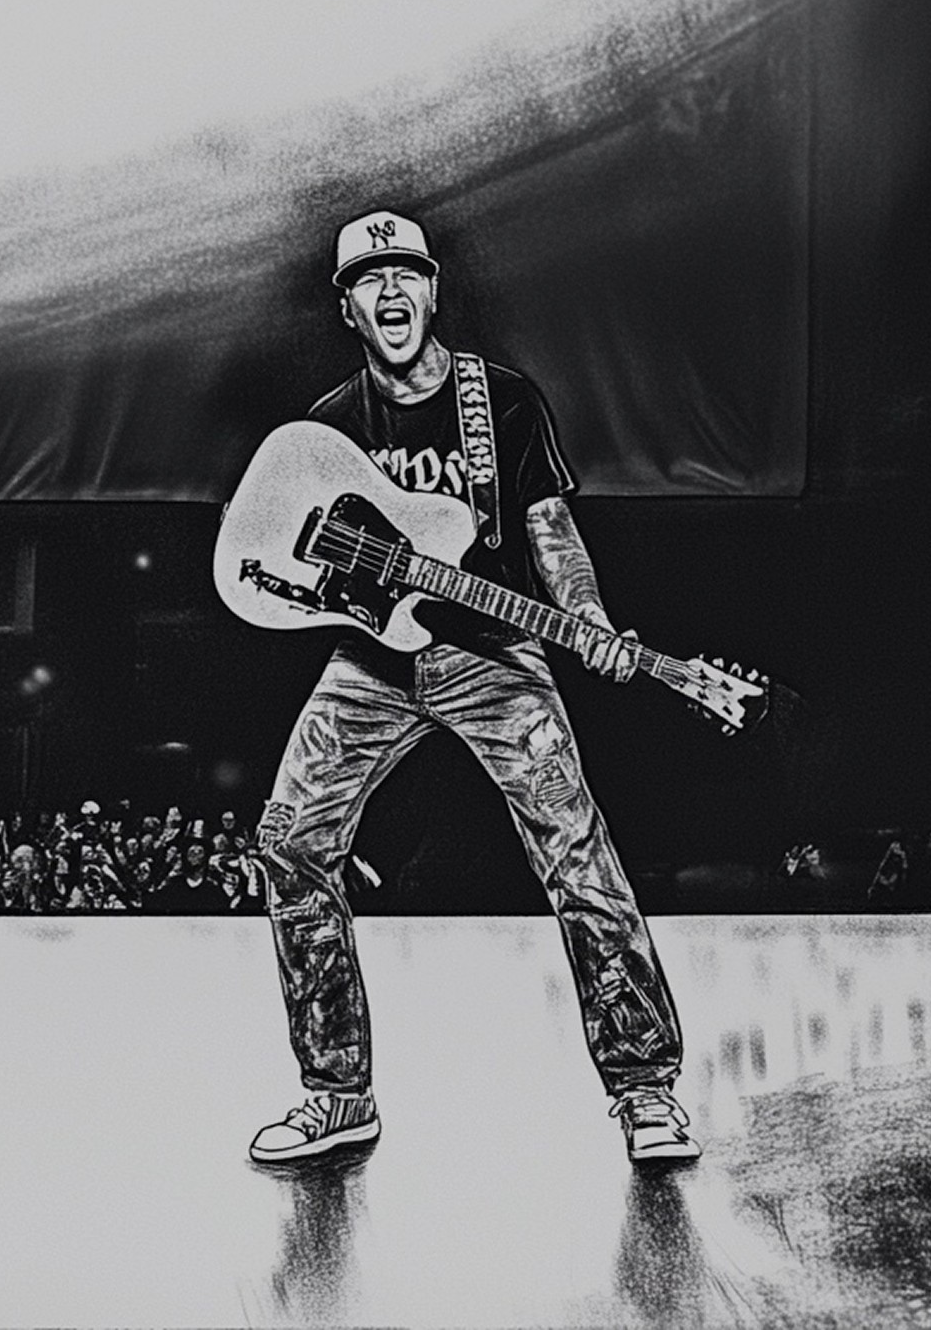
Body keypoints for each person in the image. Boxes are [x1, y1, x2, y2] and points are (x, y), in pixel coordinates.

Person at [243, 209, 697, 1166]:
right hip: (372, 661)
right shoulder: (326, 428)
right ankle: (337, 1095)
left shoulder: (505, 404)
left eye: (407, 273)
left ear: (434, 288)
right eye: (371, 281)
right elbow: (284, 552)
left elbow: (551, 533)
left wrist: (591, 623)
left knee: (575, 849)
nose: (393, 293)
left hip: (492, 652)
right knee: (288, 842)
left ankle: (645, 1085)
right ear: (348, 308)